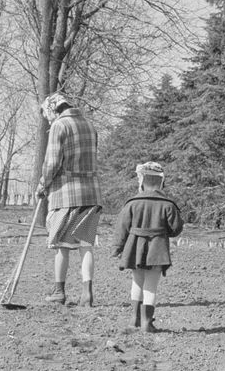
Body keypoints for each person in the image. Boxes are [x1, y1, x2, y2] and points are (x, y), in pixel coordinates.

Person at [35, 92, 103, 307]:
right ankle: (87, 292)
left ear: (53, 110)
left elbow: (52, 162)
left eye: (47, 115)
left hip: (66, 195)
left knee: (62, 246)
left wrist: (42, 186)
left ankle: (59, 292)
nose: (48, 119)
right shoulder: (90, 126)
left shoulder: (59, 126)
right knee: (86, 245)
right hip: (91, 193)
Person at [111, 162, 184, 332]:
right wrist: (165, 232)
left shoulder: (132, 203)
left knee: (137, 282)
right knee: (150, 285)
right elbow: (176, 228)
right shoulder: (168, 204)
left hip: (135, 248)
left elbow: (122, 227)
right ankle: (147, 323)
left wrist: (117, 247)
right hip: (157, 249)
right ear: (161, 182)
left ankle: (134, 319)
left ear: (142, 181)